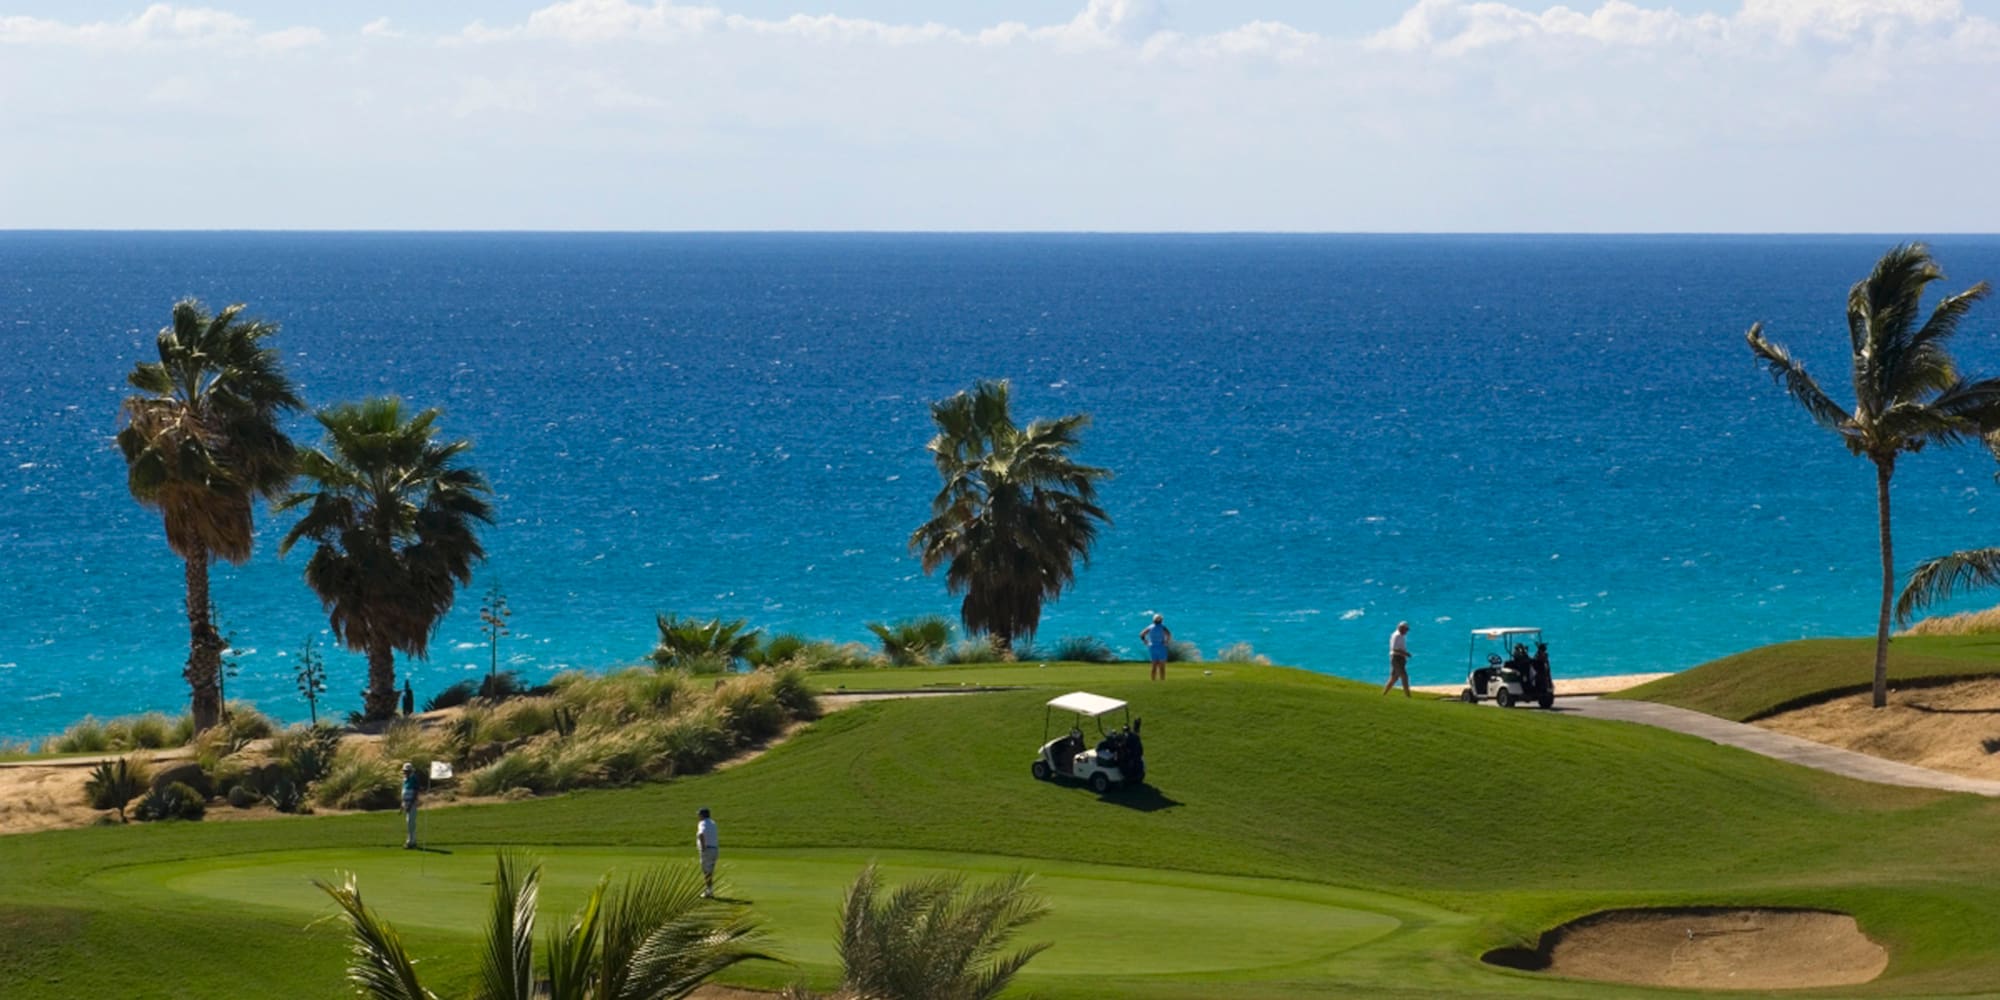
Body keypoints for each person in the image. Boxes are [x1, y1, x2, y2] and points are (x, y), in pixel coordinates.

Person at [1140, 614, 1172, 681]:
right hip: (1161, 647)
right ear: (1161, 620)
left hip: (1152, 647)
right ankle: (1162, 680)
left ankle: (1153, 681)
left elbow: (1142, 634)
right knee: (1162, 666)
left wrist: (1146, 642)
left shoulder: (1150, 627)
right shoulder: (1163, 627)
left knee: (1154, 666)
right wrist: (1166, 642)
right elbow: (1169, 634)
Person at [1384, 621, 1412, 697]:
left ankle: (1384, 694)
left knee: (1394, 677)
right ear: (1402, 628)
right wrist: (1405, 653)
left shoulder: (1401, 636)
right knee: (1404, 676)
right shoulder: (1397, 636)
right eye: (1406, 629)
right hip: (1396, 658)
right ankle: (1408, 695)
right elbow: (1395, 649)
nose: (1407, 631)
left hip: (1400, 658)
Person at [695, 807, 718, 898]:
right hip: (714, 849)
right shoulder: (713, 823)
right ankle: (709, 890)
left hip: (707, 850)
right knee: (710, 871)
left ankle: (709, 892)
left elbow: (701, 833)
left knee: (706, 872)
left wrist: (703, 847)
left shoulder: (702, 823)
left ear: (702, 815)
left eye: (699, 814)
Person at [400, 762, 419, 849]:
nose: (405, 772)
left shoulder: (413, 778)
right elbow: (403, 792)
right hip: (406, 802)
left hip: (412, 803)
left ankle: (411, 842)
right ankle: (412, 841)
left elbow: (415, 792)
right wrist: (402, 805)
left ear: (411, 771)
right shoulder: (404, 780)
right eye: (405, 771)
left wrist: (410, 804)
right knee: (409, 823)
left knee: (410, 823)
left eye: (407, 771)